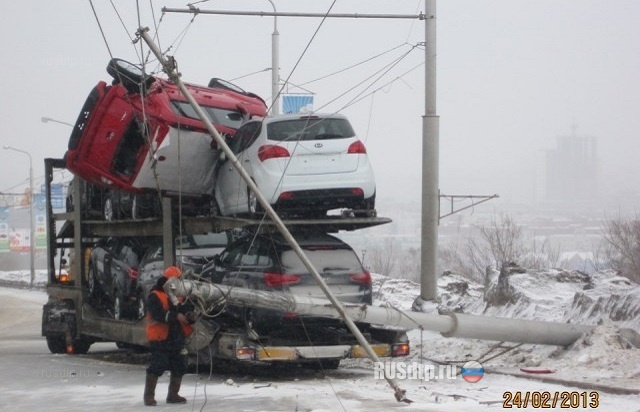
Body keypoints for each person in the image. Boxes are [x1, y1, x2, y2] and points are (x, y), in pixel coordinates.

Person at [143, 265, 194, 406]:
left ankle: (173, 395)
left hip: (176, 335)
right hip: (160, 337)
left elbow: (187, 309)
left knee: (180, 364)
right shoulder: (155, 295)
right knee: (158, 365)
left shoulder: (181, 293)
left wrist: (190, 316)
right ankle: (149, 396)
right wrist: (175, 316)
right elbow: (158, 314)